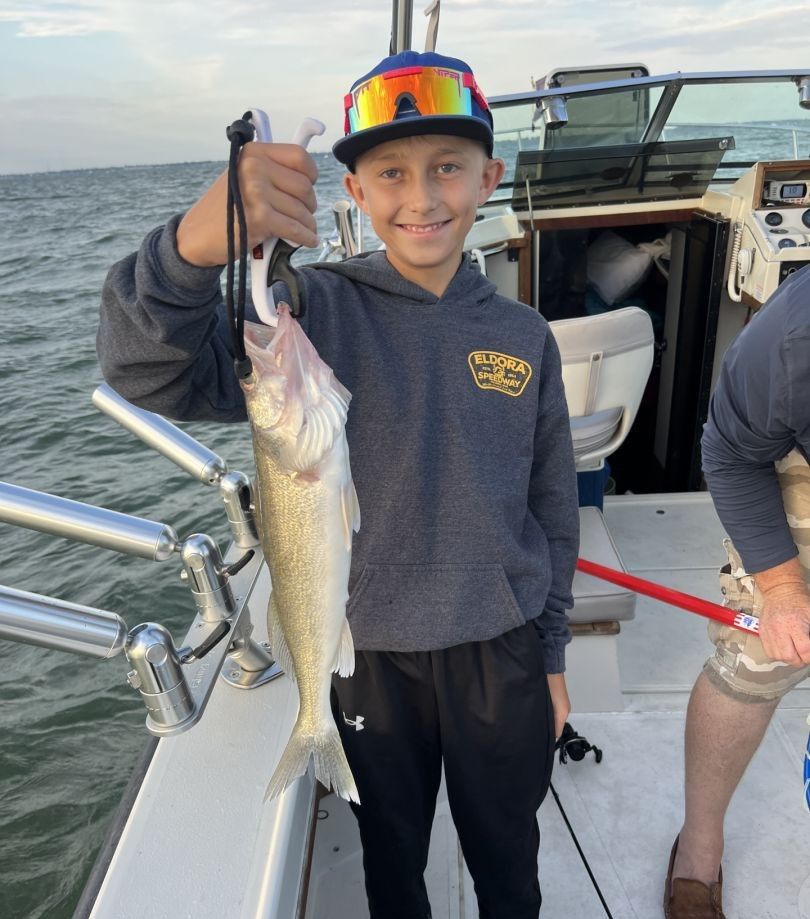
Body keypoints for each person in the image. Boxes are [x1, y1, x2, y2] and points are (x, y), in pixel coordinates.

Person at [98, 50, 579, 919]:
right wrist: (191, 248)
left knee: (510, 853)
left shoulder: (525, 334)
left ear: (489, 178)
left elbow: (551, 506)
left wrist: (549, 653)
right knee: (393, 857)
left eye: (447, 168)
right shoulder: (304, 315)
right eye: (390, 172)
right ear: (354, 192)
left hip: (500, 651)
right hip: (365, 658)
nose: (422, 197)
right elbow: (146, 370)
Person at [664, 265, 810, 919]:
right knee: (753, 661)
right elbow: (729, 449)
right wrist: (781, 589)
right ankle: (699, 848)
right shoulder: (793, 336)